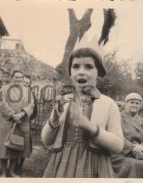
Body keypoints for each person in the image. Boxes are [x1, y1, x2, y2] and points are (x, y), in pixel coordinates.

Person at [41, 47, 124, 178]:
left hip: (94, 168)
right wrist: (54, 118)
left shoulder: (108, 104)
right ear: (70, 73)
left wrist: (89, 126)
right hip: (62, 167)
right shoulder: (64, 101)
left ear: (99, 73)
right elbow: (46, 141)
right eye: (76, 67)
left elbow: (118, 145)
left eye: (88, 67)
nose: (81, 72)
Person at [0, 70, 34, 177]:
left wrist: (21, 114)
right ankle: (3, 172)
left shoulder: (27, 90)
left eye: (20, 77)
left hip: (21, 121)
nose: (19, 79)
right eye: (16, 77)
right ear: (12, 78)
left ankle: (12, 171)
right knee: (4, 148)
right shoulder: (4, 88)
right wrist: (12, 114)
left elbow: (31, 104)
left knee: (16, 146)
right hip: (6, 121)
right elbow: (1, 102)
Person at [111, 93, 143, 178]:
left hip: (141, 151)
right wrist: (133, 149)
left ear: (140, 106)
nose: (134, 105)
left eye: (137, 103)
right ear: (126, 104)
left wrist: (142, 147)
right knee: (136, 164)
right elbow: (117, 136)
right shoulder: (117, 118)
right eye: (132, 102)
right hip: (121, 152)